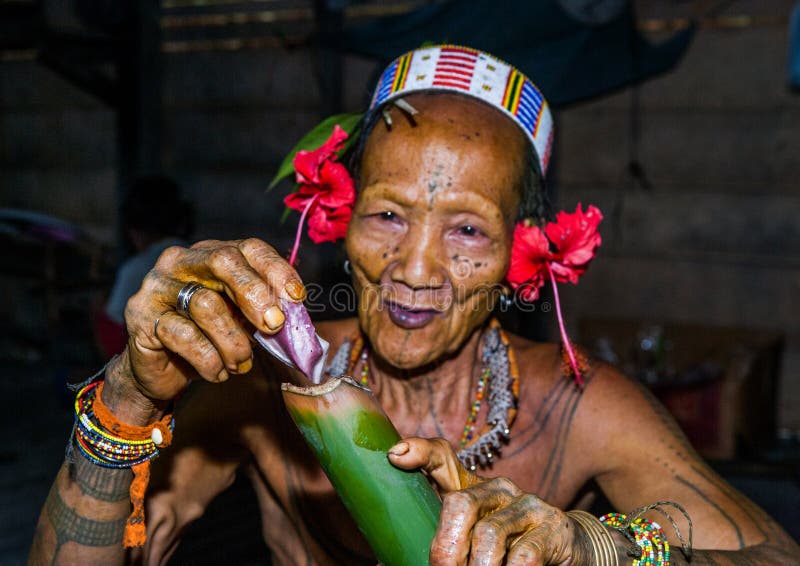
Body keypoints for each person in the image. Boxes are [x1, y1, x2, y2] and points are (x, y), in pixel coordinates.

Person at [30, 45, 798, 565]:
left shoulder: (578, 408)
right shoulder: (265, 389)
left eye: (466, 228)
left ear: (522, 255)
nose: (417, 268)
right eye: (388, 215)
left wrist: (598, 547)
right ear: (339, 218)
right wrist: (125, 401)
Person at [93, 176, 193, 357]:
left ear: (134, 230)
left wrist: (98, 311)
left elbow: (113, 343)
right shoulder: (195, 255)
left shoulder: (136, 268)